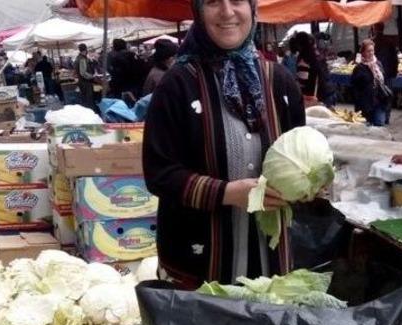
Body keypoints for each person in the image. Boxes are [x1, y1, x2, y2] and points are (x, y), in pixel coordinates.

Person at [142, 0, 305, 289]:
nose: (227, 12)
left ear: (252, 8)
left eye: (237, 0)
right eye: (213, 2)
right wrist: (227, 193)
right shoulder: (176, 85)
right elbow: (159, 173)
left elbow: (299, 153)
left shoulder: (280, 82)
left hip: (271, 264)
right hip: (199, 265)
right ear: (198, 11)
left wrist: (307, 185)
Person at [350, 39, 389, 127]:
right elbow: (354, 87)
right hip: (365, 104)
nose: (371, 53)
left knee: (379, 124)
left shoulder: (378, 64)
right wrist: (359, 101)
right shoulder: (359, 68)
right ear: (363, 52)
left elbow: (384, 80)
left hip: (379, 101)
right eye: (368, 51)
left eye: (372, 50)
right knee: (367, 129)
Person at [293, 32, 335, 106]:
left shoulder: (304, 59)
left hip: (317, 97)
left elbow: (302, 83)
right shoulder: (317, 56)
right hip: (327, 92)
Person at [372, 23, 398, 125]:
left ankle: (381, 116)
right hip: (387, 74)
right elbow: (395, 60)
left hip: (377, 74)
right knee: (387, 95)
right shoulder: (389, 42)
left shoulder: (373, 42)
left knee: (379, 96)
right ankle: (386, 116)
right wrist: (394, 72)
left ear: (374, 28)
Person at [74, 43, 97, 109]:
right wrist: (92, 76)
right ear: (85, 50)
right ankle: (90, 112)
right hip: (85, 82)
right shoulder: (82, 59)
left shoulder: (79, 58)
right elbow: (83, 73)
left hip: (82, 82)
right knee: (88, 100)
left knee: (85, 99)